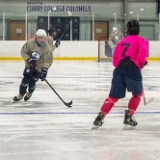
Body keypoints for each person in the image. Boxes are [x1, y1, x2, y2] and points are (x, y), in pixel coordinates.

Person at [93, 19, 148, 130]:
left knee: (113, 96)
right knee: (138, 94)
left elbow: (114, 62)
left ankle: (100, 116)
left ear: (127, 30)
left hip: (119, 69)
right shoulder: (141, 40)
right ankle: (129, 116)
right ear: (138, 29)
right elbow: (142, 55)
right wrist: (140, 64)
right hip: (132, 69)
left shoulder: (121, 42)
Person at [13, 29, 59, 102]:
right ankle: (21, 94)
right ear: (36, 37)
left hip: (39, 68)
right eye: (40, 38)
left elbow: (47, 60)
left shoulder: (47, 47)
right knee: (26, 79)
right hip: (29, 65)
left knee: (32, 81)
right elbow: (23, 52)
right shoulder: (30, 43)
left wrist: (44, 70)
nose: (41, 40)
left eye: (43, 38)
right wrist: (29, 60)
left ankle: (30, 93)